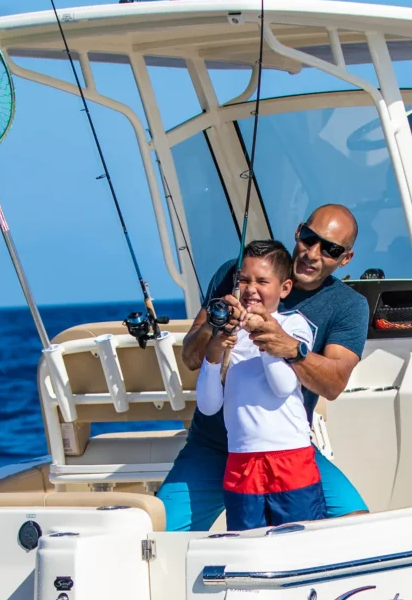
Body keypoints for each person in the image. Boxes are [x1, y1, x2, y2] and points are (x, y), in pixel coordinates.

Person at [158, 202, 372, 530]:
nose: (313, 253)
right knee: (159, 537)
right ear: (298, 232)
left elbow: (333, 383)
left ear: (346, 259)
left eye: (329, 249)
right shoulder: (237, 272)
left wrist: (292, 350)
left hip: (285, 447)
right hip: (213, 446)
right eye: (309, 239)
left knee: (356, 524)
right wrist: (214, 329)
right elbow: (190, 358)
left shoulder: (348, 306)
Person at [194, 241, 324, 528]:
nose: (251, 289)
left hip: (291, 461)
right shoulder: (229, 331)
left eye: (262, 281)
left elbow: (282, 384)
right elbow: (208, 404)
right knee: (246, 549)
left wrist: (260, 333)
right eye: (244, 280)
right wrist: (214, 353)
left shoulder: (294, 326)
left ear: (285, 288)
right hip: (241, 464)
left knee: (302, 542)